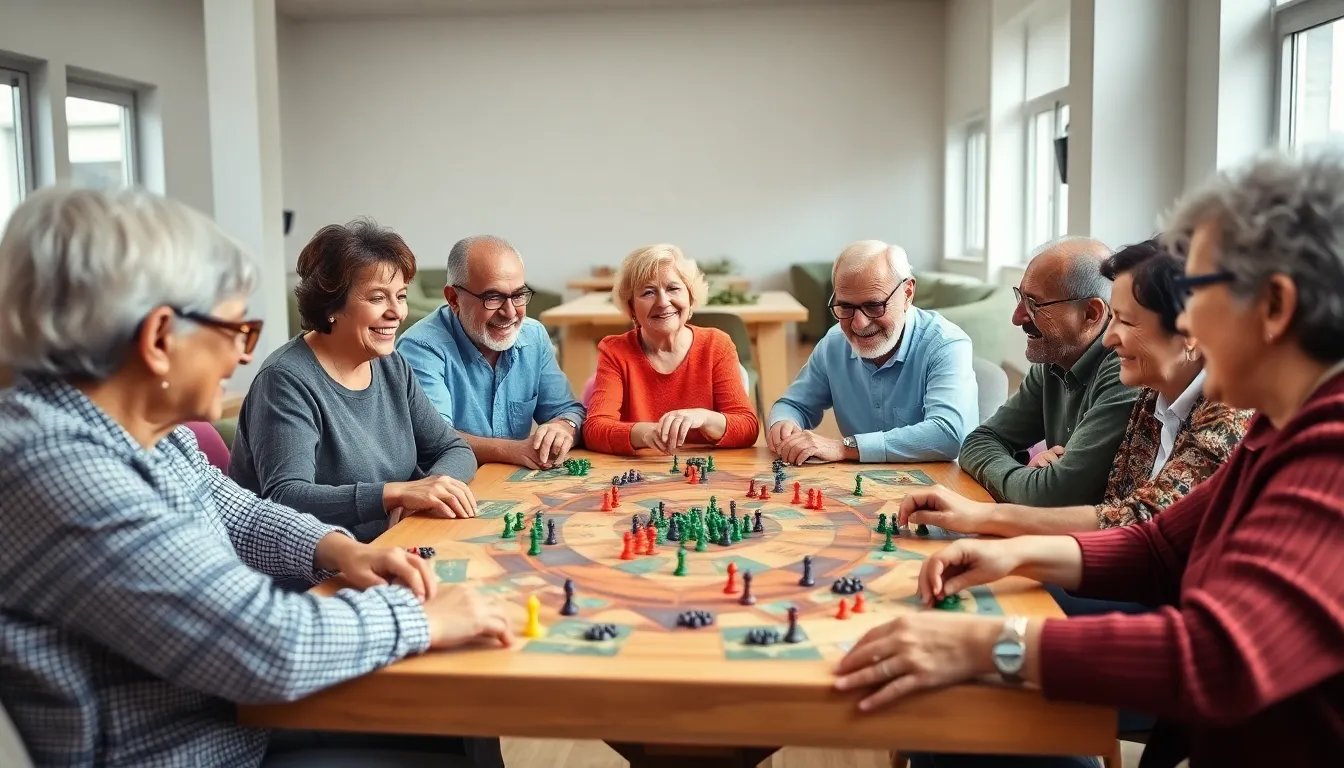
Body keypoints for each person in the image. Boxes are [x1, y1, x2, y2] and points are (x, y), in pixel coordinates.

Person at [832, 150, 1344, 768]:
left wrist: (990, 647)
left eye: (1196, 296)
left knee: (960, 685)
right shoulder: (1278, 428)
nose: (1185, 324)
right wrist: (1005, 543)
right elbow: (1155, 543)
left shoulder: (1331, 447)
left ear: (1274, 307)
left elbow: (1219, 656)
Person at [0, 187, 512, 767]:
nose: (244, 357)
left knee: (459, 727)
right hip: (193, 749)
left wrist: (339, 550)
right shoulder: (62, 468)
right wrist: (419, 619)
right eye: (235, 330)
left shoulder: (141, 429)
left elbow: (239, 512)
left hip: (236, 720)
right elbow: (271, 644)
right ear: (160, 338)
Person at [901, 239, 1250, 538]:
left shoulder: (1225, 412)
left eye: (1125, 321)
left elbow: (1136, 524)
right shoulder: (1151, 396)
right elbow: (1118, 512)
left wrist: (994, 515)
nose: (1110, 338)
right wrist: (1031, 476)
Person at [229, 221, 478, 544]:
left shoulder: (390, 364)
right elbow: (286, 498)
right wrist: (396, 495)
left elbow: (454, 448)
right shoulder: (284, 380)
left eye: (400, 296)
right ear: (331, 305)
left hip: (396, 543)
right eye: (378, 298)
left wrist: (426, 493)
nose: (398, 312)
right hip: (315, 570)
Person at [958, 237, 1139, 507]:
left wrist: (1040, 487)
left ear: (1091, 314)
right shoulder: (1053, 360)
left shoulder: (1126, 372)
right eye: (1020, 297)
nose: (1017, 317)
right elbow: (979, 441)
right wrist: (1026, 478)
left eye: (1034, 304)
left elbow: (1055, 494)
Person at [766, 240, 977, 465]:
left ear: (907, 293)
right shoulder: (834, 343)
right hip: (865, 487)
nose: (859, 323)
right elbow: (793, 405)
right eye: (845, 307)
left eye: (874, 306)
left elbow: (948, 434)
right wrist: (784, 424)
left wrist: (844, 447)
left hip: (944, 485)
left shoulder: (946, 343)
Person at [397, 235, 585, 470]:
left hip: (509, 488)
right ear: (453, 299)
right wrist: (512, 451)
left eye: (517, 295)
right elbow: (435, 439)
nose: (509, 312)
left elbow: (567, 410)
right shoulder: (421, 347)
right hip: (449, 489)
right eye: (492, 298)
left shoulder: (533, 335)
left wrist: (563, 427)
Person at [582, 244, 759, 455]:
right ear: (631, 309)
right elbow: (594, 429)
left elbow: (747, 428)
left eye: (673, 289)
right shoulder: (615, 351)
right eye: (648, 292)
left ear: (691, 298)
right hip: (640, 477)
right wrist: (645, 433)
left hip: (708, 477)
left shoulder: (716, 345)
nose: (663, 301)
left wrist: (703, 417)